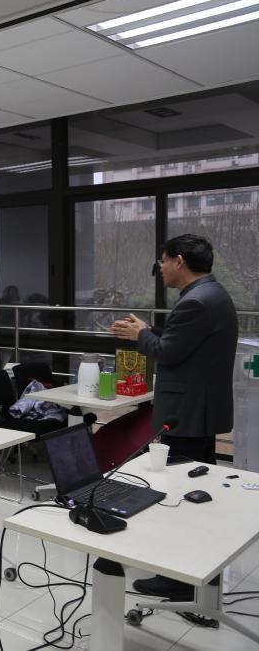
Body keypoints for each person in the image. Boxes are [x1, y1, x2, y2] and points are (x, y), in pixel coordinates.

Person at [112, 234, 238, 600]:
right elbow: (185, 345)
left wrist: (142, 335)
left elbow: (168, 353)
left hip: (187, 412)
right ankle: (198, 575)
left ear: (178, 261)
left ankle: (181, 581)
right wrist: (148, 331)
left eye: (162, 262)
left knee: (184, 492)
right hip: (201, 407)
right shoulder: (212, 295)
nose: (161, 270)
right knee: (198, 489)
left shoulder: (196, 302)